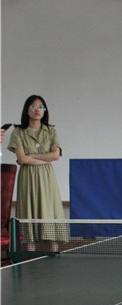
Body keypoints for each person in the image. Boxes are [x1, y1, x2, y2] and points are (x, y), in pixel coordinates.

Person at [6, 95, 67, 247]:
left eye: (41, 107)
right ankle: (29, 258)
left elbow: (55, 156)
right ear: (27, 110)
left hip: (47, 177)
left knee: (49, 217)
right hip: (27, 177)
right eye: (33, 106)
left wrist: (32, 155)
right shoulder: (18, 132)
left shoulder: (51, 131)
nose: (37, 110)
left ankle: (53, 256)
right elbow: (22, 159)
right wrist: (45, 158)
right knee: (28, 221)